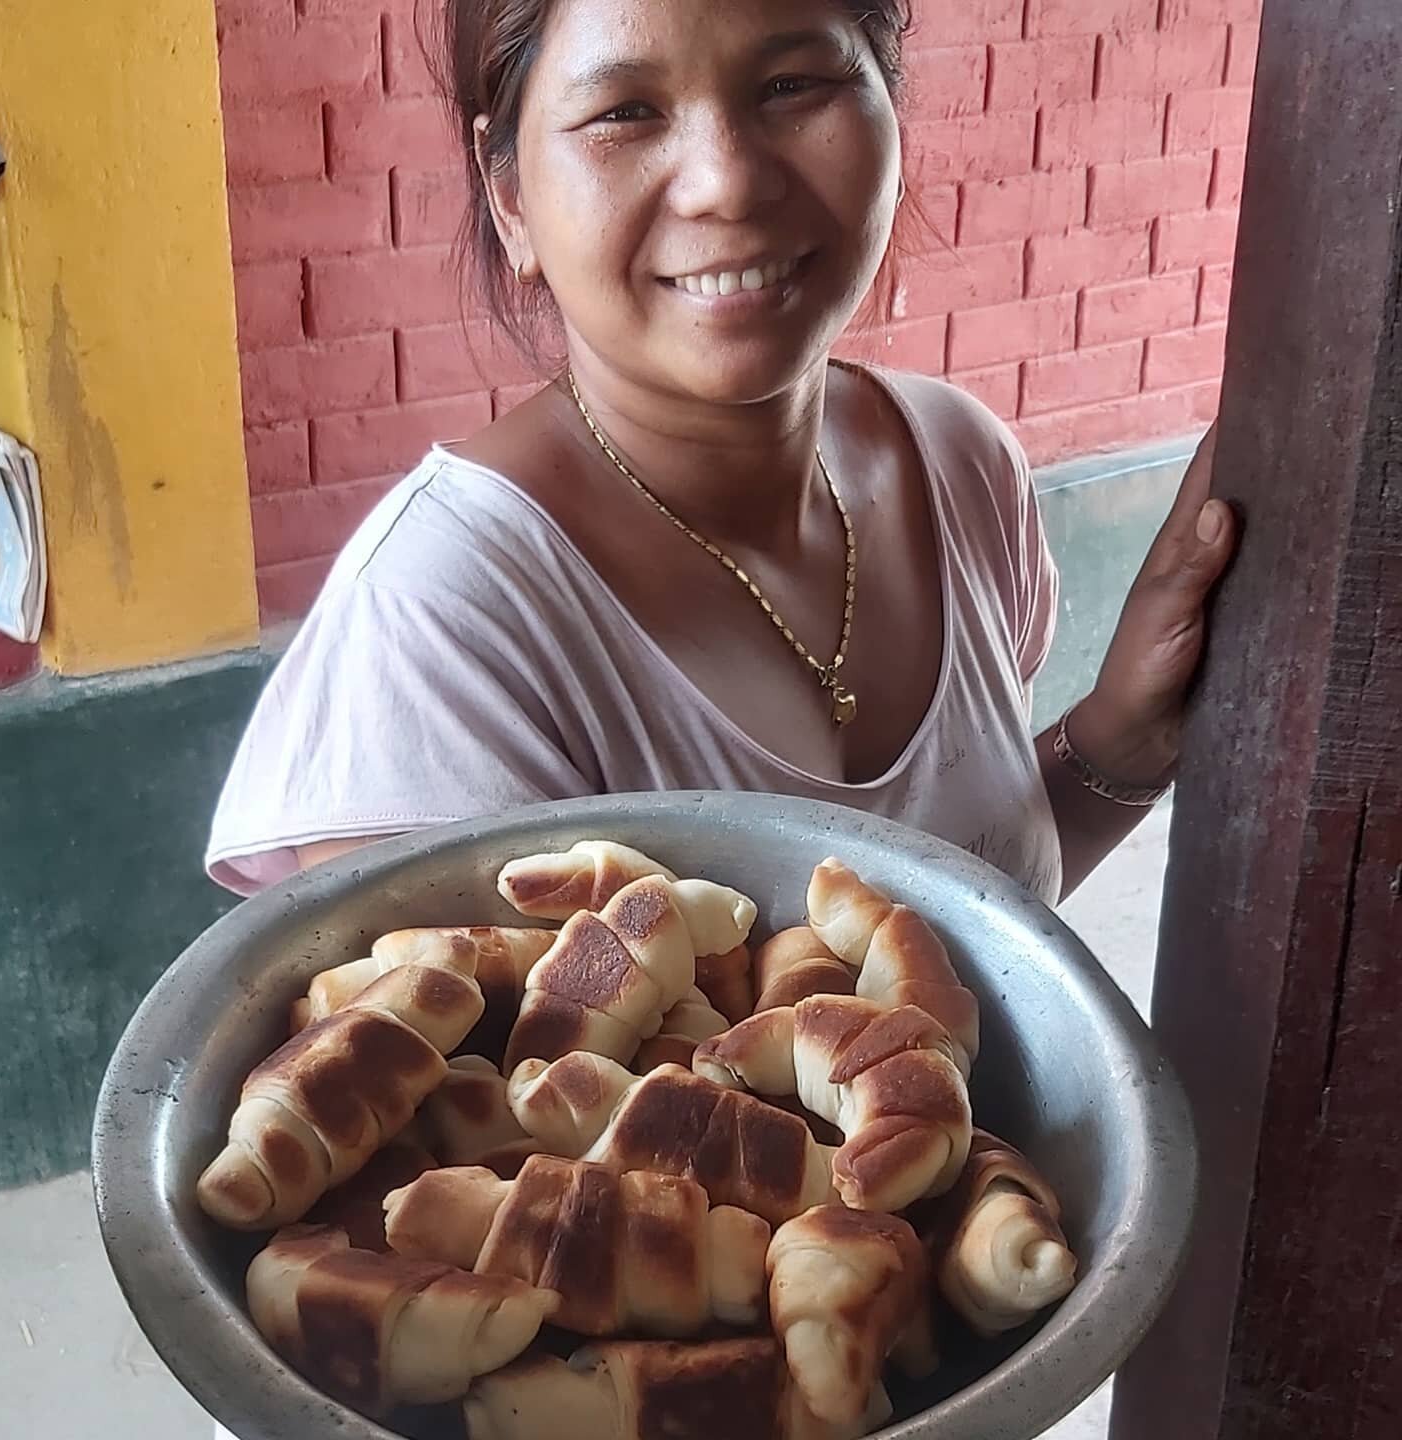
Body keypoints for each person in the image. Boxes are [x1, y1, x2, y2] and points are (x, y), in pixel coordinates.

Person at [209, 0, 1235, 911]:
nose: (727, 182)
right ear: (509, 194)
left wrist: (1122, 740)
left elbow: (977, 936)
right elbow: (459, 1112)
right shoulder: (444, 631)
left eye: (794, 84)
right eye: (625, 112)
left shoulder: (963, 468)